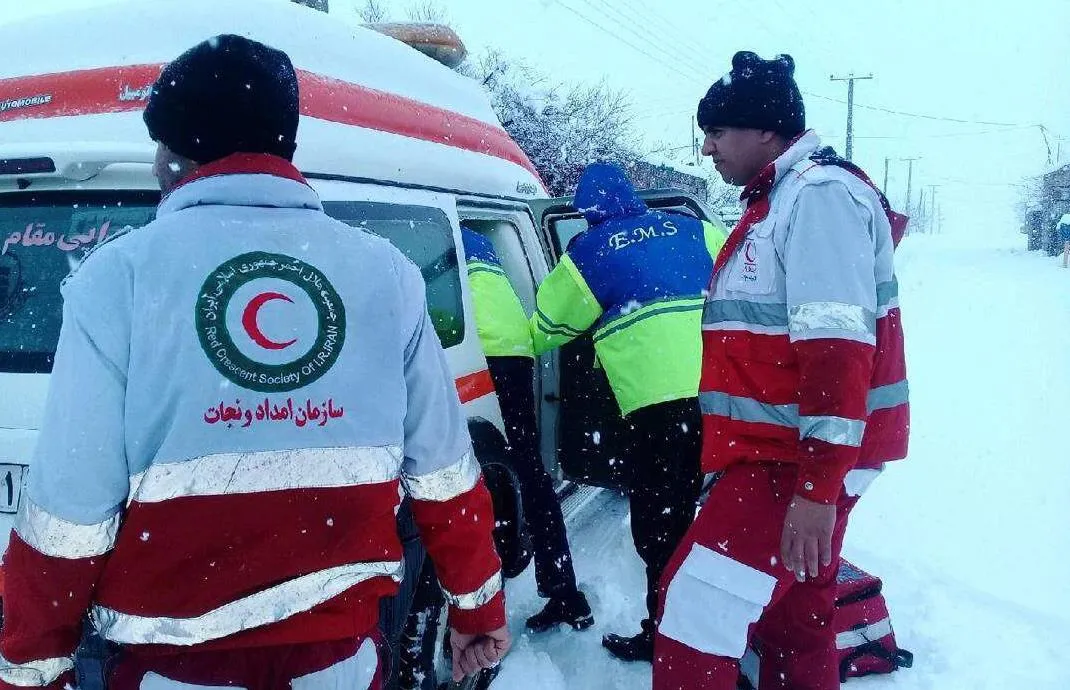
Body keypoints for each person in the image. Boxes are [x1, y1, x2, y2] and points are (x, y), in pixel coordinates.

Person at [0, 35, 508, 690]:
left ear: (179, 151)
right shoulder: (388, 273)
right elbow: (444, 472)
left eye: (160, 144)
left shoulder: (118, 277)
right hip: (341, 662)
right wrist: (476, 606)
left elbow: (69, 514)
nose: (156, 162)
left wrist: (32, 668)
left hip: (174, 668)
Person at [653, 51, 910, 690]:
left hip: (792, 460)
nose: (706, 148)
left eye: (717, 132)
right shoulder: (782, 199)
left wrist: (817, 488)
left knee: (693, 617)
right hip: (790, 454)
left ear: (767, 130)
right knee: (795, 618)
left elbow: (837, 350)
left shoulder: (817, 197)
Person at [530, 162, 727, 663]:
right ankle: (710, 630)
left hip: (656, 412)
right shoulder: (693, 228)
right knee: (704, 516)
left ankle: (668, 638)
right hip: (717, 400)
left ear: (589, 212)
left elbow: (548, 329)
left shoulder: (590, 251)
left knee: (658, 530)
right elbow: (741, 281)